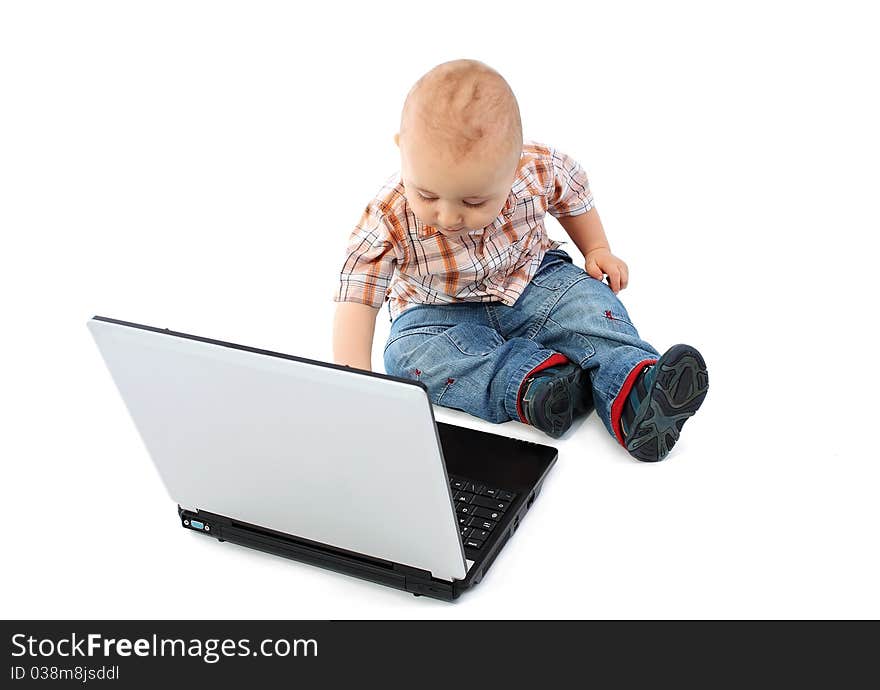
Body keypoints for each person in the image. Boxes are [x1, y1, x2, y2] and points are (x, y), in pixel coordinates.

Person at [332, 59, 708, 462]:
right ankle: (539, 385)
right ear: (402, 150)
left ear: (513, 169)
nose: (448, 215)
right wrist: (358, 382)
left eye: (474, 201)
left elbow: (572, 193)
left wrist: (596, 249)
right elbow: (358, 293)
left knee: (590, 308)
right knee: (406, 356)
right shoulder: (388, 214)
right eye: (427, 195)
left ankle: (636, 391)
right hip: (436, 313)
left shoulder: (536, 167)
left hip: (536, 283)